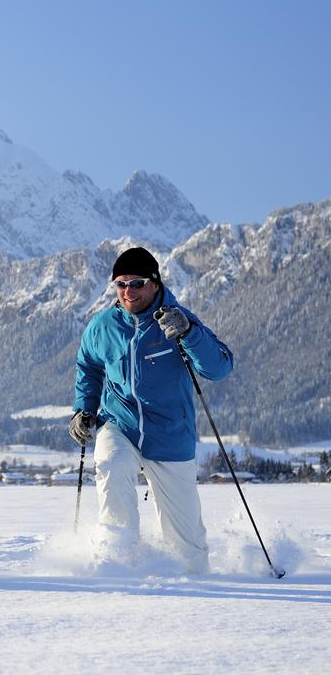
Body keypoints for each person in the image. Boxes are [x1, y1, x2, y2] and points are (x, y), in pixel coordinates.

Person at [69, 246, 233, 573]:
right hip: (120, 425)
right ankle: (120, 565)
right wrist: (83, 409)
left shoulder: (178, 318)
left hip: (170, 436)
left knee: (188, 552)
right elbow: (88, 367)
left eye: (137, 283)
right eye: (121, 284)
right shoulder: (103, 326)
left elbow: (219, 368)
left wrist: (189, 333)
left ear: (155, 284)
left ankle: (198, 597)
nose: (128, 291)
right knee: (111, 465)